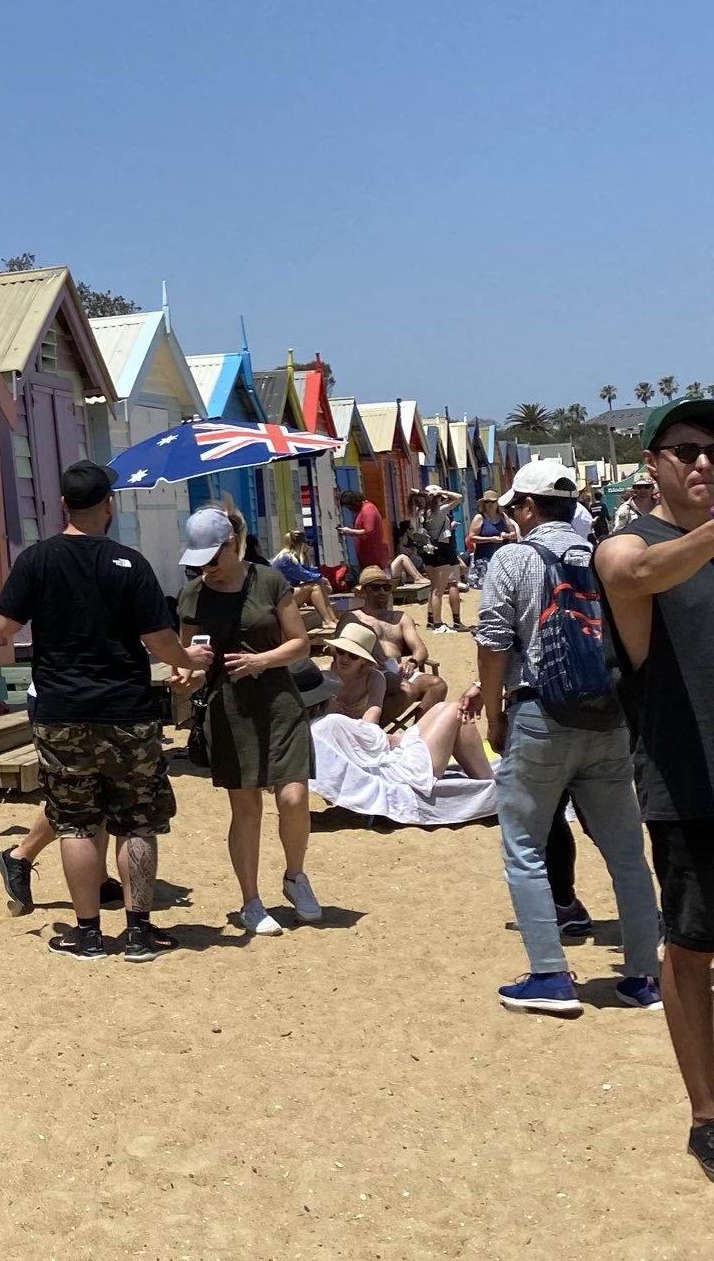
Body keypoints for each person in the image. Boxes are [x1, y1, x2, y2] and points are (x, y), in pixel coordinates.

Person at [0, 461, 211, 962]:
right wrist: (189, 660)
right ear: (110, 503)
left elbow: (3, 629)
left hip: (61, 710)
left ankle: (87, 934)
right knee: (136, 820)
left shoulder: (37, 560)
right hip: (126, 708)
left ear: (63, 504)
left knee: (76, 823)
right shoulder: (130, 562)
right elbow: (159, 639)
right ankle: (139, 932)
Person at [473, 460, 661, 1018]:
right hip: (609, 717)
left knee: (525, 845)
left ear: (529, 507)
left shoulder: (514, 557)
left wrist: (492, 712)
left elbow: (492, 640)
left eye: (514, 507)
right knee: (627, 851)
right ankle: (644, 977)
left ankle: (551, 976)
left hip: (542, 711)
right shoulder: (603, 553)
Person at [594, 401, 714, 1177]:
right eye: (689, 450)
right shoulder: (632, 544)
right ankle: (707, 1113)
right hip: (689, 788)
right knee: (694, 951)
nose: (705, 463)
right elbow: (634, 576)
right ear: (656, 465)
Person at [174, 505, 321, 936]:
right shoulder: (193, 597)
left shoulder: (269, 580)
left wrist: (260, 660)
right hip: (228, 709)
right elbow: (189, 660)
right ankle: (251, 901)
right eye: (198, 561)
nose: (206, 568)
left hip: (280, 703)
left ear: (231, 546)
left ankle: (295, 876)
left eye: (212, 558)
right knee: (247, 809)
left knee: (293, 798)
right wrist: (185, 675)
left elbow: (301, 645)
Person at [306, 671, 498, 827]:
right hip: (402, 773)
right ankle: (491, 786)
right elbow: (378, 741)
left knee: (442, 708)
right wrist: (397, 739)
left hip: (386, 767)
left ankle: (487, 782)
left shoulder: (312, 729)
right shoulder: (331, 722)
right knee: (456, 710)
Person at [351, 568, 448, 717]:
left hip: (398, 673)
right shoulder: (353, 618)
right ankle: (370, 733)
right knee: (406, 689)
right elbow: (338, 652)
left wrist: (412, 663)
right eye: (376, 588)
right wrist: (366, 661)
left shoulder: (400, 618)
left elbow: (420, 649)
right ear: (363, 591)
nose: (382, 592)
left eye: (386, 587)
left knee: (438, 686)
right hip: (367, 675)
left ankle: (418, 734)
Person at [270, 530, 345, 634]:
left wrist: (307, 557)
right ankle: (327, 621)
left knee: (317, 584)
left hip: (285, 595)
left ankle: (332, 619)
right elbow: (305, 575)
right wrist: (323, 579)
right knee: (315, 587)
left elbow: (310, 572)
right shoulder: (286, 559)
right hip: (279, 599)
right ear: (302, 544)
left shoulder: (290, 557)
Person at [411, 487, 465, 632]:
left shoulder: (421, 511)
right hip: (441, 549)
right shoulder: (439, 511)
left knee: (433, 588)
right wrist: (443, 492)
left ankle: (431, 619)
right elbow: (459, 496)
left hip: (428, 550)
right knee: (438, 591)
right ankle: (438, 623)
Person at [465, 491, 518, 589]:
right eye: (487, 502)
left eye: (492, 502)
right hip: (484, 559)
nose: (490, 504)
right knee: (487, 589)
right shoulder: (480, 517)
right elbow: (471, 538)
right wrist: (490, 539)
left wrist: (506, 536)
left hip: (503, 559)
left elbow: (514, 534)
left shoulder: (503, 516)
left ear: (497, 503)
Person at [337, 489, 390, 574]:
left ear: (354, 503)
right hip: (368, 557)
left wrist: (350, 531)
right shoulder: (363, 509)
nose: (350, 510)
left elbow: (369, 531)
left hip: (374, 555)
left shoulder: (368, 509)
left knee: (377, 577)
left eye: (350, 507)